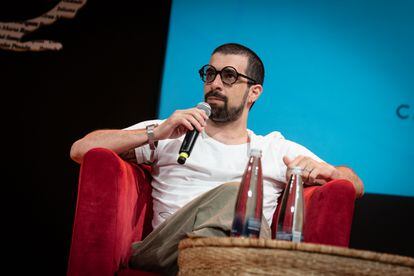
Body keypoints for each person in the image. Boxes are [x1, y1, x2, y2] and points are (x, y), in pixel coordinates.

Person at [70, 43, 364, 275]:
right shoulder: (170, 131)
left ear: (254, 93)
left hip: (235, 257)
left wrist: (328, 171)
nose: (215, 83)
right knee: (238, 195)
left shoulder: (273, 148)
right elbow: (81, 150)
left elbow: (355, 184)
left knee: (239, 213)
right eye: (210, 74)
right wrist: (155, 132)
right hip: (167, 249)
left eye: (229, 76)